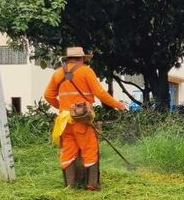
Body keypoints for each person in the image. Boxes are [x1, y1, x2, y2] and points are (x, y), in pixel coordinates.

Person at [44, 46, 127, 190]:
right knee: (90, 149)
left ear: (67, 59)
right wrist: (117, 105)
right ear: (82, 58)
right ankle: (92, 184)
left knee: (68, 150)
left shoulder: (58, 73)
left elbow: (48, 95)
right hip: (81, 119)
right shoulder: (86, 71)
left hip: (64, 121)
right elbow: (100, 93)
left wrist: (62, 108)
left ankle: (70, 185)